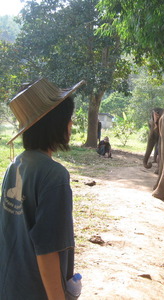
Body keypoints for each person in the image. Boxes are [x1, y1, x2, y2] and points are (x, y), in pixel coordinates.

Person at [0, 78, 85, 300]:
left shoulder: (15, 164)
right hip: (36, 291)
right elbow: (47, 250)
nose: (71, 125)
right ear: (55, 123)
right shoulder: (54, 175)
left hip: (10, 284)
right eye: (68, 119)